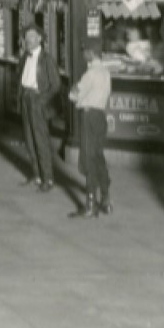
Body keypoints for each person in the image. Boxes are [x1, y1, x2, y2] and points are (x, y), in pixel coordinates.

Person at [68, 39, 114, 218]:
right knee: (98, 156)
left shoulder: (90, 74)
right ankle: (106, 199)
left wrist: (73, 92)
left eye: (84, 51)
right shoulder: (105, 72)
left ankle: (90, 205)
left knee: (87, 159)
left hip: (88, 117)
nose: (83, 54)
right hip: (100, 116)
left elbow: (73, 95)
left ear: (91, 53)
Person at [15, 27, 60, 191]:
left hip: (37, 100)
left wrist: (41, 100)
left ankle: (48, 179)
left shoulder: (47, 59)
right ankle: (37, 176)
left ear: (40, 39)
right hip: (26, 99)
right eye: (26, 37)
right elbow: (20, 77)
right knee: (29, 140)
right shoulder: (25, 57)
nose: (27, 40)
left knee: (41, 141)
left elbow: (55, 85)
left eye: (31, 37)